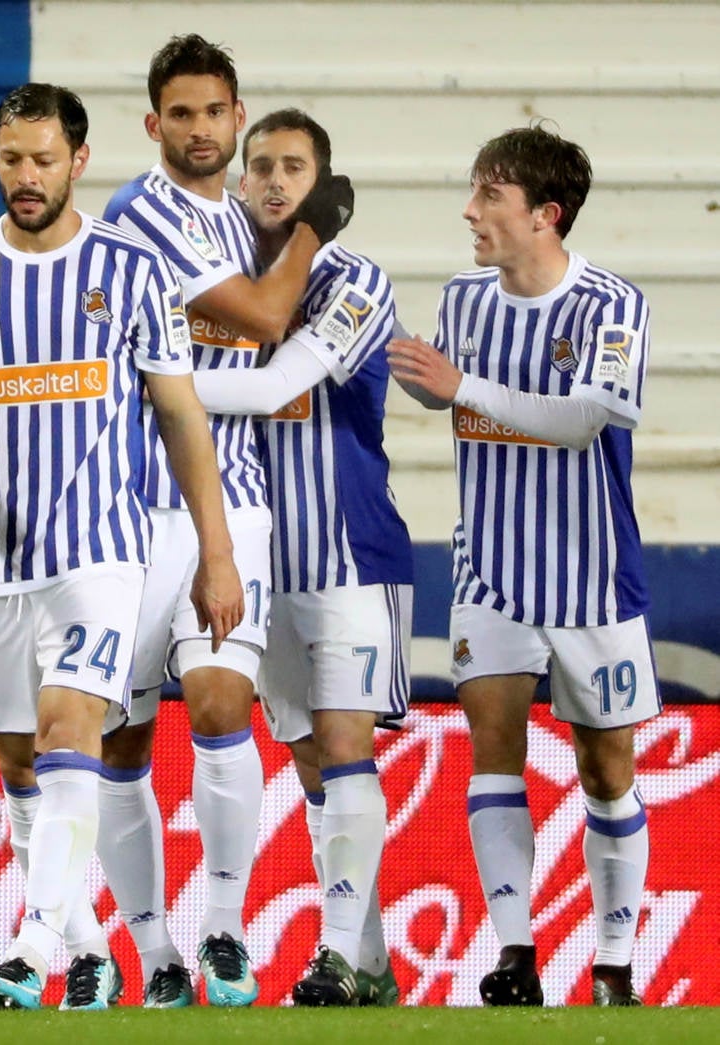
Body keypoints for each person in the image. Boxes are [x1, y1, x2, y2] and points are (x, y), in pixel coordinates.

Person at [0, 82, 243, 1012]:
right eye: (10, 159)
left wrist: (216, 550)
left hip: (100, 554)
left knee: (74, 727)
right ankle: (87, 946)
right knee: (19, 761)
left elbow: (183, 418)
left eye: (42, 159)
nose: (24, 177)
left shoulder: (132, 272)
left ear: (78, 161)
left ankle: (31, 947)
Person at [95, 37, 352, 1009]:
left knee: (218, 705)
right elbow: (261, 316)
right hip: (122, 512)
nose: (201, 130)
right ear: (155, 125)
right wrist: (322, 220)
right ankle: (156, 950)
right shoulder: (142, 213)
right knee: (120, 739)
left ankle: (226, 931)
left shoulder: (246, 218)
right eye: (183, 114)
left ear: (237, 117)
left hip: (229, 503)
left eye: (216, 112)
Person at [387, 123, 659, 1007]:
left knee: (606, 768)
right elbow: (443, 390)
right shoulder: (465, 302)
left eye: (490, 197)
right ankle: (515, 953)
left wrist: (459, 387)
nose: (470, 211)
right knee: (494, 756)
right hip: (490, 573)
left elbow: (588, 418)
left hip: (592, 578)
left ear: (546, 214)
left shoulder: (613, 306)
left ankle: (615, 959)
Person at [191, 108, 413, 1007]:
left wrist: (139, 376)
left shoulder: (356, 279)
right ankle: (370, 962)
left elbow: (278, 383)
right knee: (315, 762)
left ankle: (329, 958)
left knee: (347, 745)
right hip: (260, 562)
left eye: (295, 166)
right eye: (263, 166)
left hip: (352, 553)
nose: (276, 180)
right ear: (241, 183)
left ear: (320, 182)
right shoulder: (229, 286)